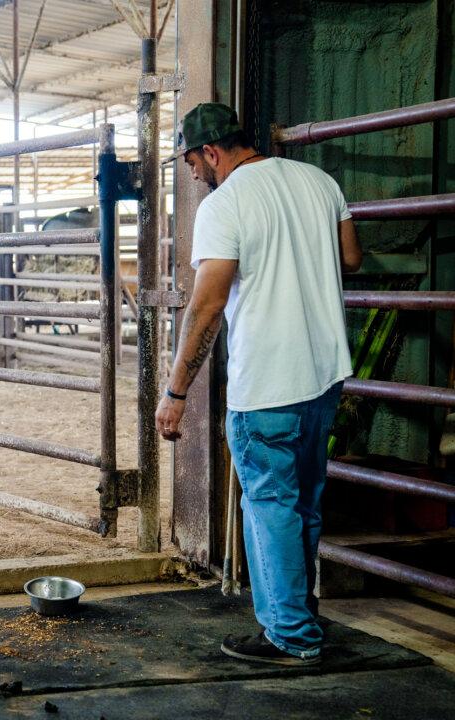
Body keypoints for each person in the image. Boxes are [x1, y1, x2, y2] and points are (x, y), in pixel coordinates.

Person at [155, 103, 362, 666]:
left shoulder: (225, 204)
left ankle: (291, 636)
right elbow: (351, 256)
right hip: (323, 379)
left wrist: (175, 394)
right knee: (304, 505)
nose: (195, 174)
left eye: (194, 162)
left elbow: (207, 306)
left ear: (213, 152)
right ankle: (302, 613)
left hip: (268, 382)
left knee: (270, 505)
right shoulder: (320, 181)